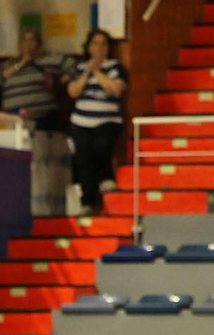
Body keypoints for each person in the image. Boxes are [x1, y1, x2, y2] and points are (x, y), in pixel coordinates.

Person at [67, 29, 127, 215]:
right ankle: (87, 202)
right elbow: (73, 91)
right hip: (81, 120)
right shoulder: (79, 68)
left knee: (101, 145)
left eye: (103, 44)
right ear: (88, 47)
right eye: (95, 43)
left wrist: (97, 71)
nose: (99, 48)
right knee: (83, 156)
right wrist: (87, 72)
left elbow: (116, 89)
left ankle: (106, 180)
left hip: (107, 119)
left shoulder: (115, 67)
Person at [0, 28, 63, 131]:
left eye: (32, 40)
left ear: (38, 44)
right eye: (24, 40)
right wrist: (21, 63)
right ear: (20, 44)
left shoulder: (47, 61)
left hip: (42, 116)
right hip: (13, 118)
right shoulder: (9, 64)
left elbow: (72, 66)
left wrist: (63, 80)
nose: (28, 44)